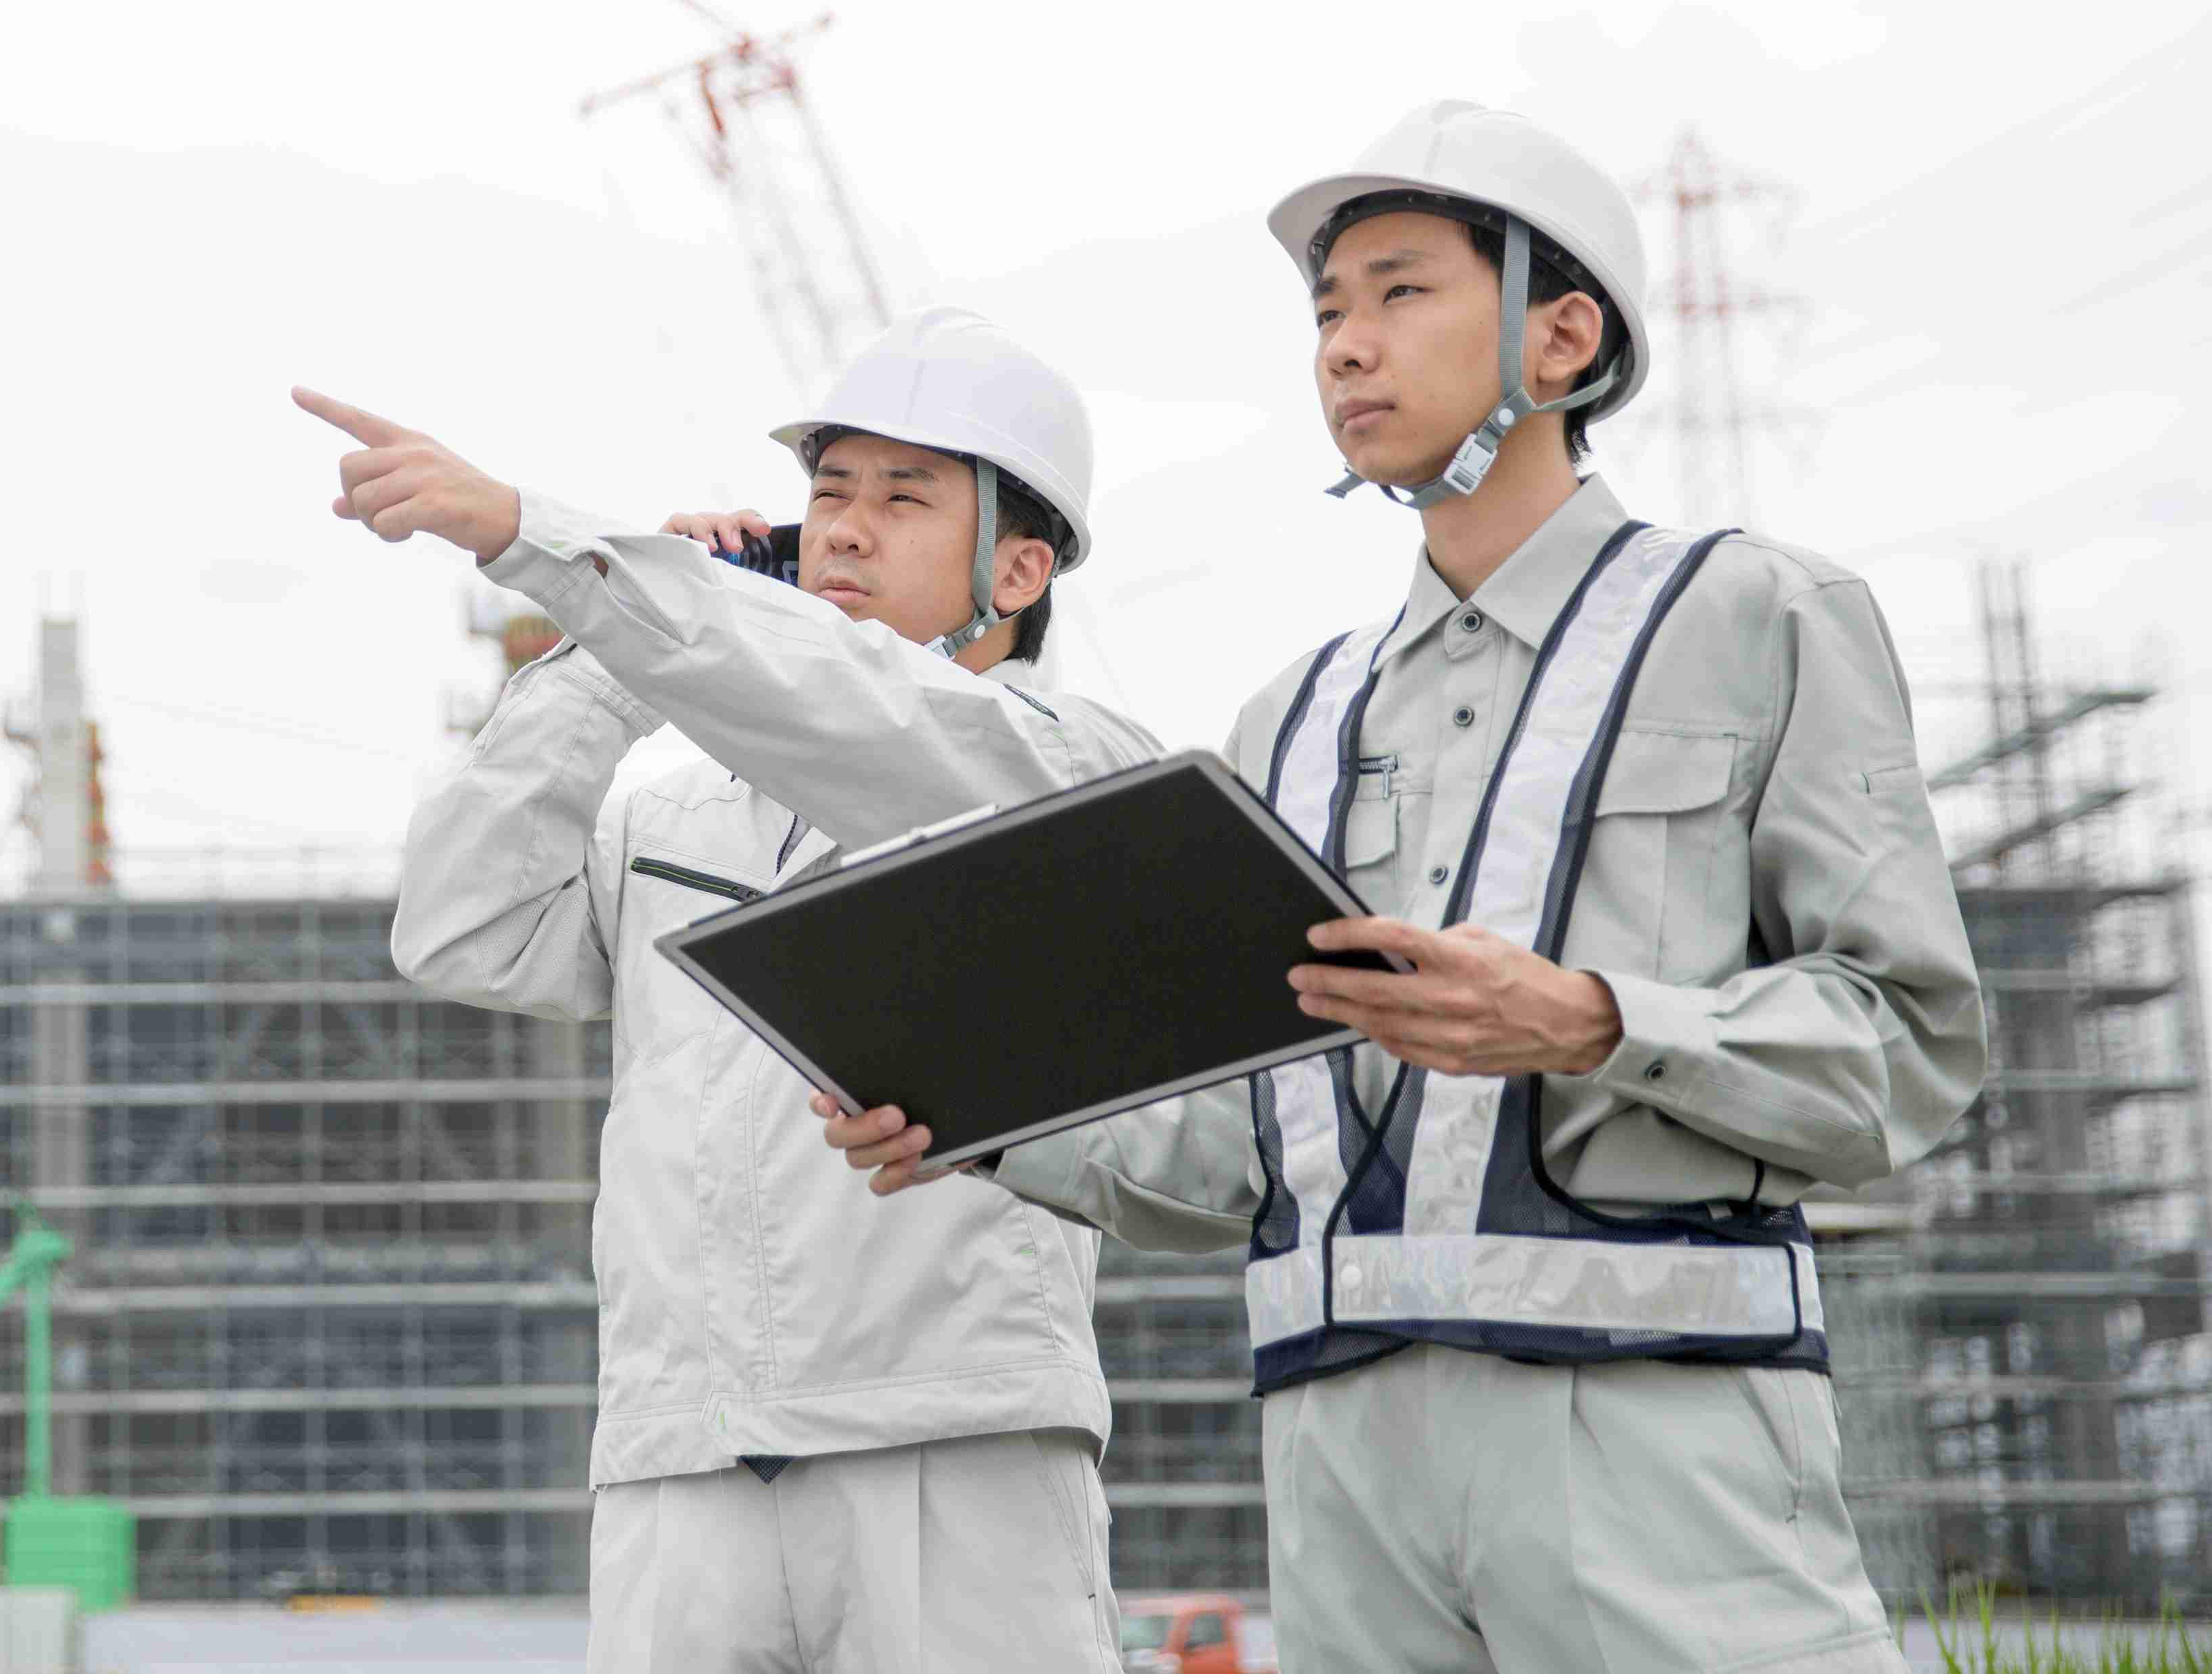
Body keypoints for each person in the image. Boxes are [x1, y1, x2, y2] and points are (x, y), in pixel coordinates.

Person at [814, 104, 1986, 1674]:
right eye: (1325, 312)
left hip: (1656, 1442)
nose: (1347, 348)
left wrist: (1589, 1021)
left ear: (1561, 336)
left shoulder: (1759, 616)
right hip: (1338, 1465)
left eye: (1400, 292)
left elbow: (1908, 1049)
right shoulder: (1283, 725)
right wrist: (987, 1114)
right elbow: (1243, 1150)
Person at [304, 308, 1159, 1674]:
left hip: (952, 1440)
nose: (845, 532)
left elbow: (876, 725)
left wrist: (583, 559)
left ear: (1024, 564)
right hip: (681, 1456)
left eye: (902, 498)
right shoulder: (672, 821)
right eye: (826, 495)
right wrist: (609, 658)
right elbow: (459, 927)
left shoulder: (1069, 767)